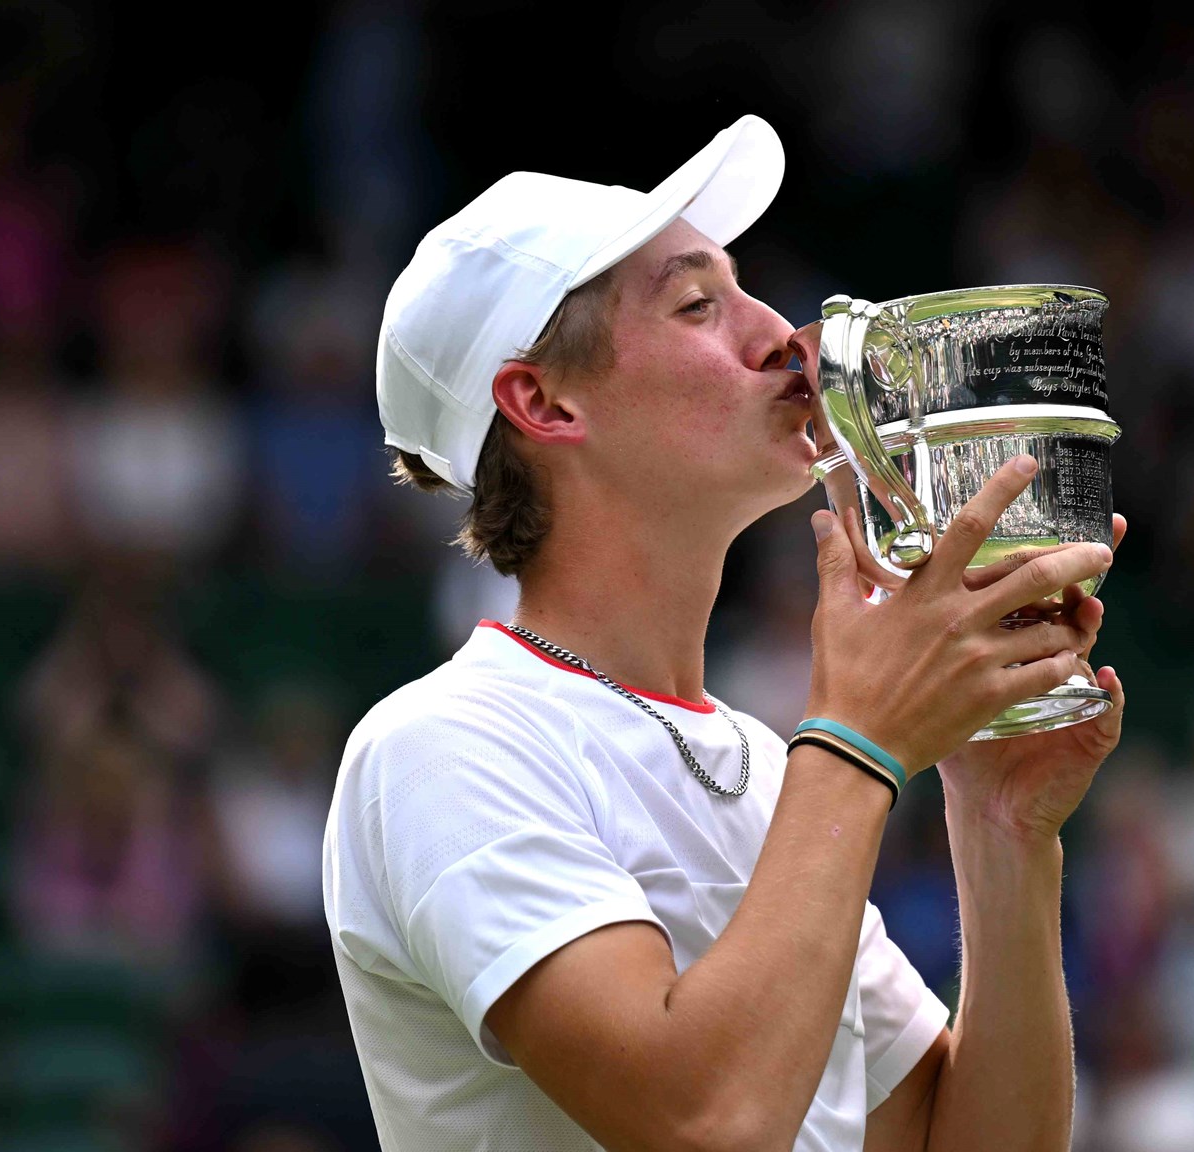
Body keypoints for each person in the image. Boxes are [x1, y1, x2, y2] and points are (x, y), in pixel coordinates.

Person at [322, 114, 1126, 1151]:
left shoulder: (761, 759)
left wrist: (1000, 829)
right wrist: (859, 738)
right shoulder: (439, 745)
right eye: (698, 303)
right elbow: (704, 1125)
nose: (782, 334)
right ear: (543, 401)